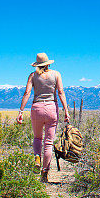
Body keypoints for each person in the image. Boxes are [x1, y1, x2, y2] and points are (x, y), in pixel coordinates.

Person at [16, 52, 70, 183]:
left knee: (37, 138)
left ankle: (37, 157)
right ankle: (44, 173)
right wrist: (66, 111)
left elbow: (27, 93)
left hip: (37, 108)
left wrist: (21, 111)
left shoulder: (33, 76)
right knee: (48, 142)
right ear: (48, 63)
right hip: (51, 108)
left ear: (36, 64)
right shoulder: (56, 74)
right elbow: (61, 92)